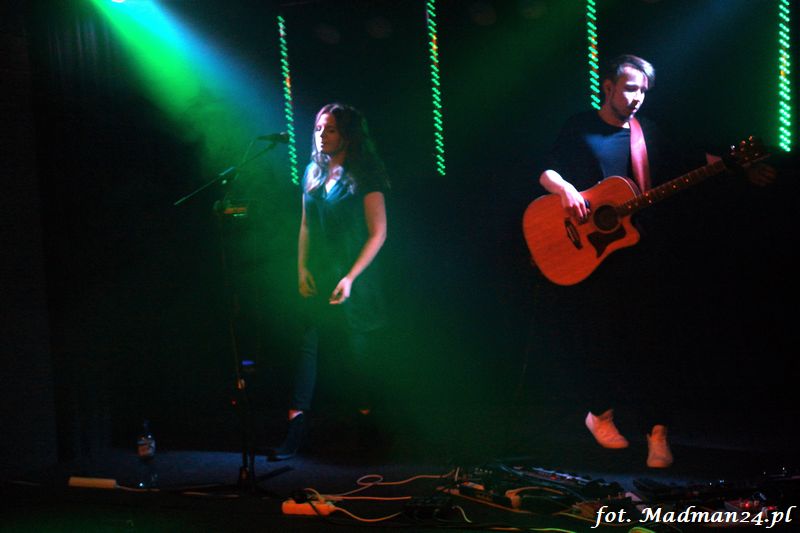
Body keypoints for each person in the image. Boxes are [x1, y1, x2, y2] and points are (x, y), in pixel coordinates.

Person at [534, 54, 773, 468]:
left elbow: (694, 161)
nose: (637, 98)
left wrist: (739, 167)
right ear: (608, 87)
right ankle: (600, 414)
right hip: (594, 254)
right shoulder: (579, 126)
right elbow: (546, 171)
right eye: (630, 89)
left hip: (642, 254)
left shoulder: (649, 133)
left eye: (643, 91)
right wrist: (566, 189)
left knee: (653, 344)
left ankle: (657, 432)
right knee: (602, 341)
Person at [268, 103, 390, 461]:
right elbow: (306, 225)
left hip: (356, 278)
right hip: (320, 273)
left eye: (331, 129)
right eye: (319, 128)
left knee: (357, 355)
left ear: (347, 134)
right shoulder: (312, 171)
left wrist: (351, 277)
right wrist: (301, 267)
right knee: (306, 349)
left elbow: (379, 232)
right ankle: (295, 428)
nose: (322, 135)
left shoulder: (365, 173)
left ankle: (369, 430)